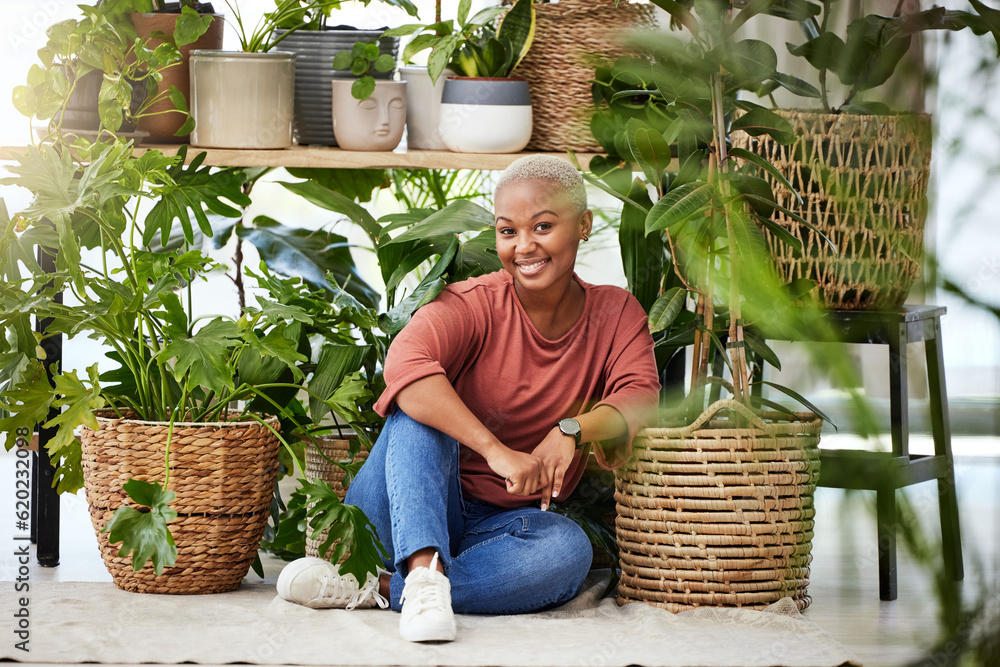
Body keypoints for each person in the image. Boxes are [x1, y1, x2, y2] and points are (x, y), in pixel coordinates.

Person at [276, 154, 660, 642]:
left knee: (568, 553)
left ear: (583, 224)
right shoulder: (473, 302)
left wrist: (572, 429)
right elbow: (405, 364)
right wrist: (495, 451)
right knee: (417, 409)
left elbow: (640, 394)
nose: (524, 246)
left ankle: (380, 586)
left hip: (497, 532)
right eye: (507, 231)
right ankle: (421, 568)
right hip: (402, 505)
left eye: (543, 226)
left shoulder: (614, 312)